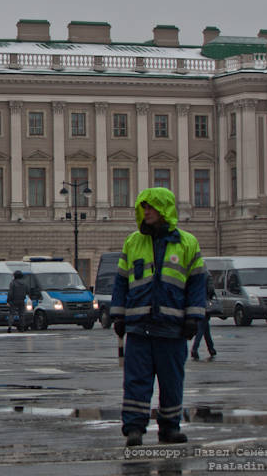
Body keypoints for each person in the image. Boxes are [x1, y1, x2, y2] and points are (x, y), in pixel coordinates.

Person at [111, 187, 207, 447]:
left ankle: (169, 428)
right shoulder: (133, 242)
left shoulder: (188, 243)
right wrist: (118, 316)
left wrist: (193, 318)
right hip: (139, 327)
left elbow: (197, 286)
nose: (146, 212)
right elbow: (120, 283)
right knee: (135, 382)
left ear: (164, 210)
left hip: (172, 328)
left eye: (151, 207)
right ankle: (134, 429)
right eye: (143, 207)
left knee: (171, 382)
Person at [191, 272, 217, 360]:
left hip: (196, 303)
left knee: (205, 328)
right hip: (204, 304)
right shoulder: (207, 275)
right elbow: (210, 289)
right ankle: (194, 349)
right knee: (201, 327)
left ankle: (211, 348)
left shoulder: (194, 275)